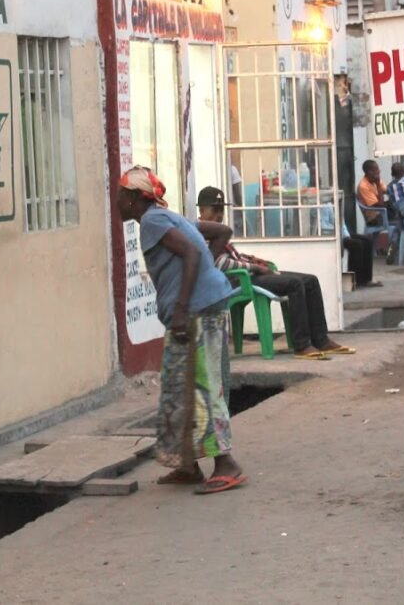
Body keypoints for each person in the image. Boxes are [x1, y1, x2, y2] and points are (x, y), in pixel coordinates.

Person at [116, 168, 246, 494]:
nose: (115, 201)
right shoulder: (166, 217)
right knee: (179, 387)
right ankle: (188, 465)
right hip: (202, 304)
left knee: (203, 386)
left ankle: (226, 464)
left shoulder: (153, 221)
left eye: (119, 194)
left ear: (132, 199)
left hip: (195, 311)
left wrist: (181, 306)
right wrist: (206, 273)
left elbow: (190, 251)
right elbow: (221, 233)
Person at [196, 186, 355, 360]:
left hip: (248, 274)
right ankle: (301, 345)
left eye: (221, 210)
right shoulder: (199, 233)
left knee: (310, 280)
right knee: (294, 284)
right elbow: (219, 264)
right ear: (201, 210)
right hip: (237, 280)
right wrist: (255, 268)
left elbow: (233, 256)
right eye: (214, 210)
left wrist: (254, 261)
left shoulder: (217, 229)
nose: (219, 215)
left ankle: (321, 340)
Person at [343, 222, 381, 287]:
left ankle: (367, 279)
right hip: (335, 234)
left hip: (344, 233)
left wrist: (346, 234)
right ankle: (356, 279)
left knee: (368, 241)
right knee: (357, 244)